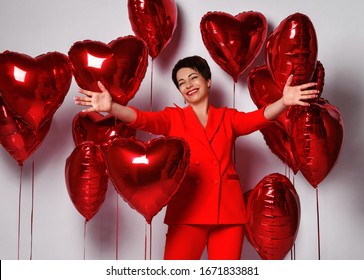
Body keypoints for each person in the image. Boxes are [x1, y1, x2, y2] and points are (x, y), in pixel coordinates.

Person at [74, 55, 318, 260]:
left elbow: (257, 118)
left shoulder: (228, 117)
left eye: (193, 77)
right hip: (187, 211)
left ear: (208, 81)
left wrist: (284, 102)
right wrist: (112, 107)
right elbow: (141, 118)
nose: (188, 84)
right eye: (181, 82)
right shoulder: (173, 118)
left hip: (228, 214)